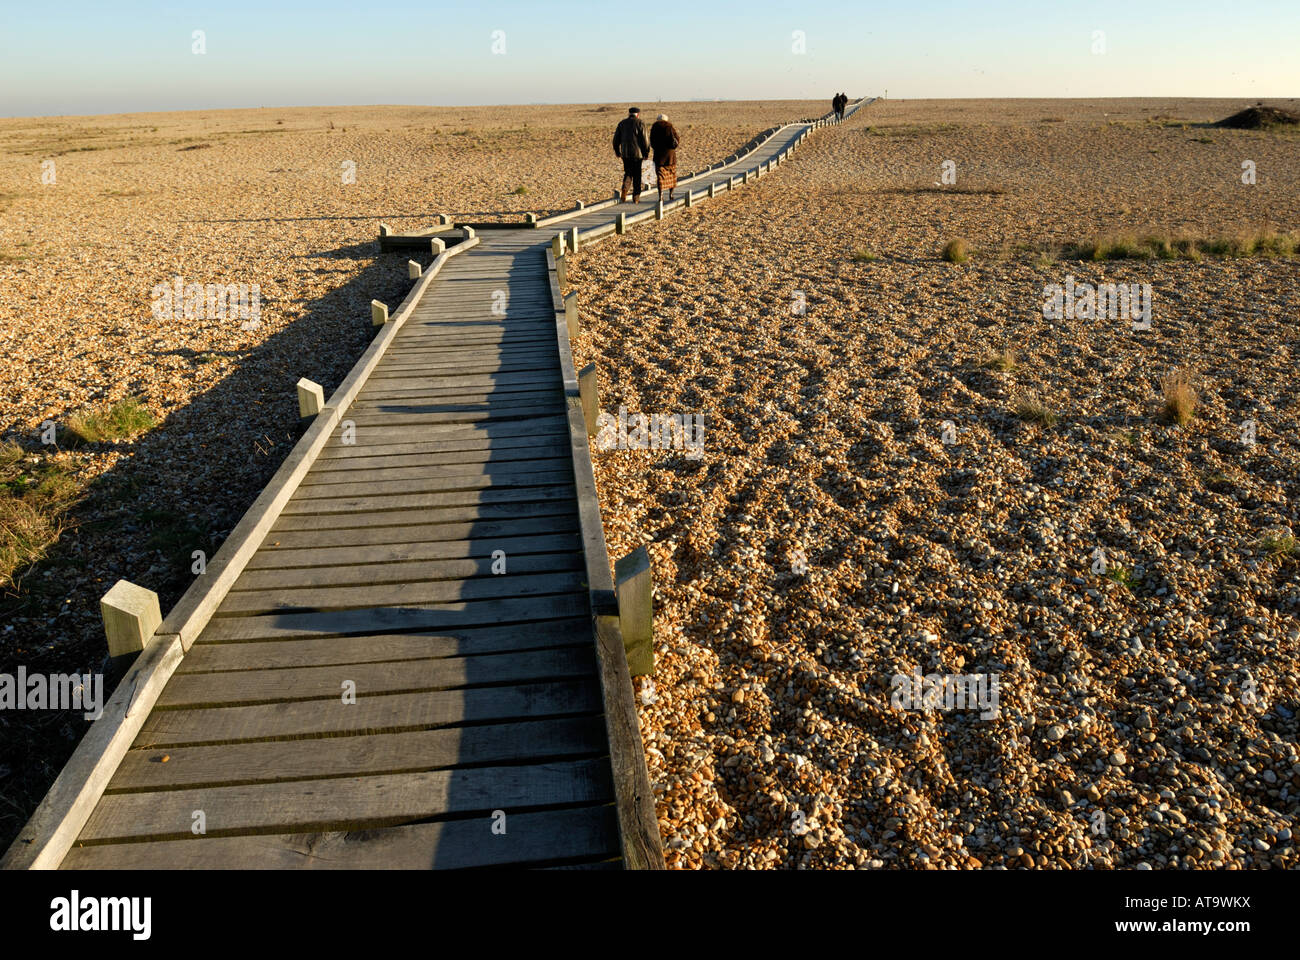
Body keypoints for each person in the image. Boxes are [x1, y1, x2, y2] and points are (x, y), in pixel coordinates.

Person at [612, 107, 650, 203]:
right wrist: (646, 153)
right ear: (638, 114)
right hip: (638, 154)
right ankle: (636, 197)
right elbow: (645, 140)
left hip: (625, 154)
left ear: (629, 114)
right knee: (637, 175)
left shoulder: (622, 123)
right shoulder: (640, 123)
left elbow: (615, 140)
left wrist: (617, 151)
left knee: (628, 172)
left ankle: (625, 189)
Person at [649, 113, 680, 203]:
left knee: (660, 176)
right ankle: (671, 194)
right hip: (670, 155)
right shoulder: (670, 127)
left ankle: (661, 196)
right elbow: (677, 139)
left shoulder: (654, 128)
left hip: (659, 156)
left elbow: (652, 142)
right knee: (671, 174)